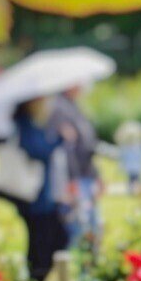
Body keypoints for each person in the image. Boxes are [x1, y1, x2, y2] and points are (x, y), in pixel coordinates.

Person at [0, 96, 71, 281]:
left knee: (48, 240)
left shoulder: (30, 125)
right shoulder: (24, 126)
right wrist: (59, 139)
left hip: (40, 197)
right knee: (45, 242)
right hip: (35, 199)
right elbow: (37, 151)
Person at [49, 86, 102, 253]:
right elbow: (66, 150)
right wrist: (70, 181)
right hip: (75, 178)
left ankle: (89, 268)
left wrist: (96, 175)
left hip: (86, 175)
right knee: (80, 228)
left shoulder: (74, 107)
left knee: (92, 227)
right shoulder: (59, 109)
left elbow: (87, 145)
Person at [112, 120, 141, 196]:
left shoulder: (139, 147)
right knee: (132, 180)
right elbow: (123, 159)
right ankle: (131, 192)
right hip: (131, 168)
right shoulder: (125, 149)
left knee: (138, 180)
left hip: (137, 168)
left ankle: (140, 191)